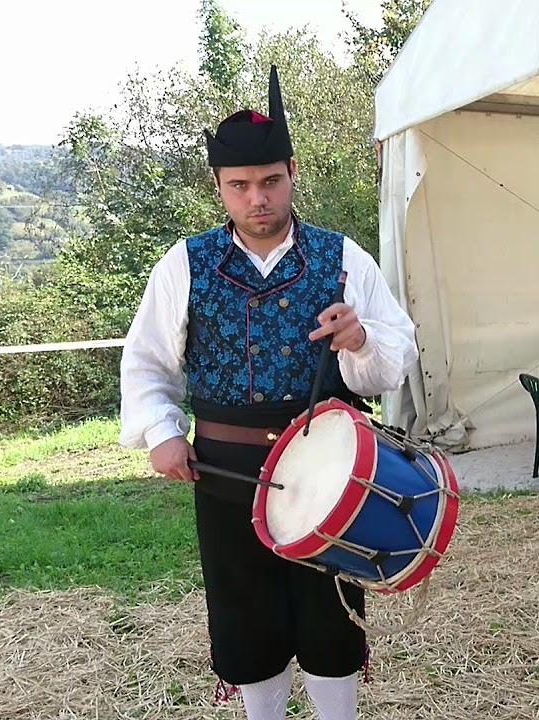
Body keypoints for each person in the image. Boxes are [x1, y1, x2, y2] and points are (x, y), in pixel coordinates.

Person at [117, 66, 418, 720]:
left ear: (292, 172)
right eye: (240, 186)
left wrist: (359, 339)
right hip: (226, 470)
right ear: (220, 187)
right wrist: (163, 432)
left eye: (271, 181)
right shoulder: (186, 263)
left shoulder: (342, 257)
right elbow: (146, 360)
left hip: (330, 463)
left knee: (328, 609)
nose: (258, 199)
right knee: (245, 610)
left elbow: (396, 358)